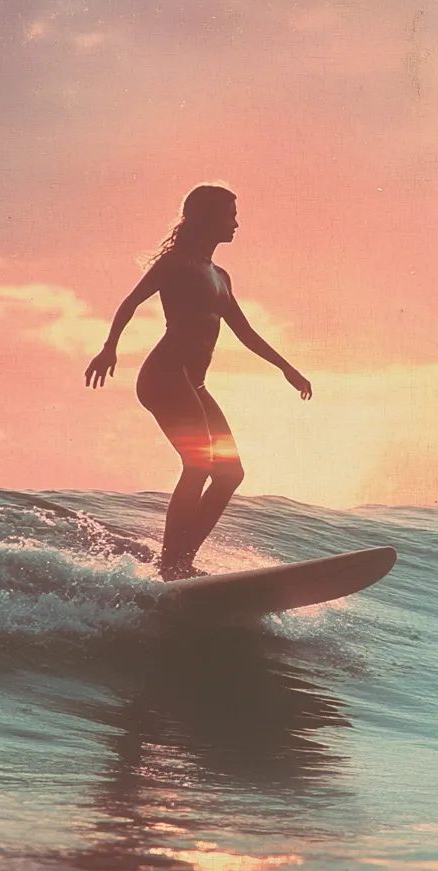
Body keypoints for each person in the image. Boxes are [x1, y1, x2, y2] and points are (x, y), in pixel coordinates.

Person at [84, 184, 312, 581]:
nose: (237, 222)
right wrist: (109, 348)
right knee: (198, 464)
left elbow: (244, 330)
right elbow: (131, 301)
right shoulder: (177, 263)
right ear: (207, 218)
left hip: (195, 385)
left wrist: (285, 368)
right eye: (230, 213)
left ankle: (181, 560)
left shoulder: (220, 276)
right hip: (164, 377)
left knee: (230, 473)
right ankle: (172, 565)